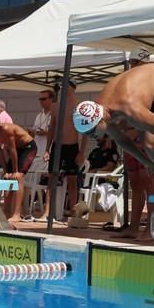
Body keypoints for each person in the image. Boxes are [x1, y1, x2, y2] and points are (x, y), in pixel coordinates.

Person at [97, 47, 154, 241]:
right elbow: (121, 139)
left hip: (147, 114)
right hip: (138, 129)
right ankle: (133, 227)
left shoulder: (130, 107)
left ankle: (150, 229)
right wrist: (147, 162)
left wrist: (153, 160)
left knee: (151, 147)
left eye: (136, 63)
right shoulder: (102, 111)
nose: (133, 66)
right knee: (137, 180)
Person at [42, 80, 88, 220]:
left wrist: (81, 153)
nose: (64, 88)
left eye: (67, 85)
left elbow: (86, 131)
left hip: (72, 146)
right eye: (62, 86)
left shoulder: (80, 107)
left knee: (72, 181)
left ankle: (74, 213)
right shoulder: (56, 106)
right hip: (57, 146)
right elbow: (51, 129)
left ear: (73, 88)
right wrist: (47, 149)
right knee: (51, 180)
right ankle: (47, 212)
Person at [0, 113, 37, 222]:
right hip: (17, 150)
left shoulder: (6, 129)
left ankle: (17, 214)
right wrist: (6, 171)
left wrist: (15, 171)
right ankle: (6, 211)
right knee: (7, 178)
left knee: (18, 177)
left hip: (28, 148)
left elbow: (12, 150)